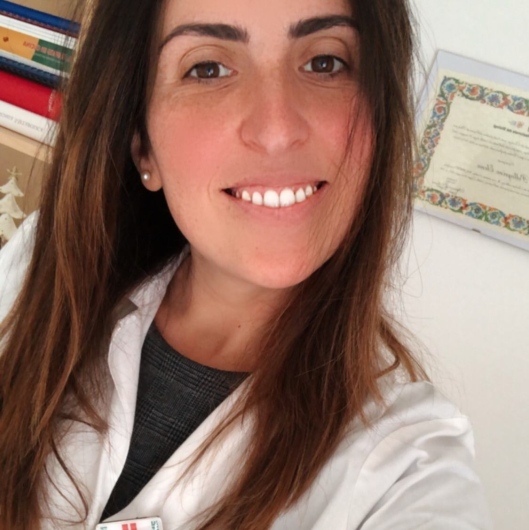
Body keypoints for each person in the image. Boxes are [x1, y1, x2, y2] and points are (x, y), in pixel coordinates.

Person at [0, 0, 492, 528]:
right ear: (143, 147)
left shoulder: (410, 470)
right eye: (208, 68)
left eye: (324, 62)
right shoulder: (37, 268)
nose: (277, 129)